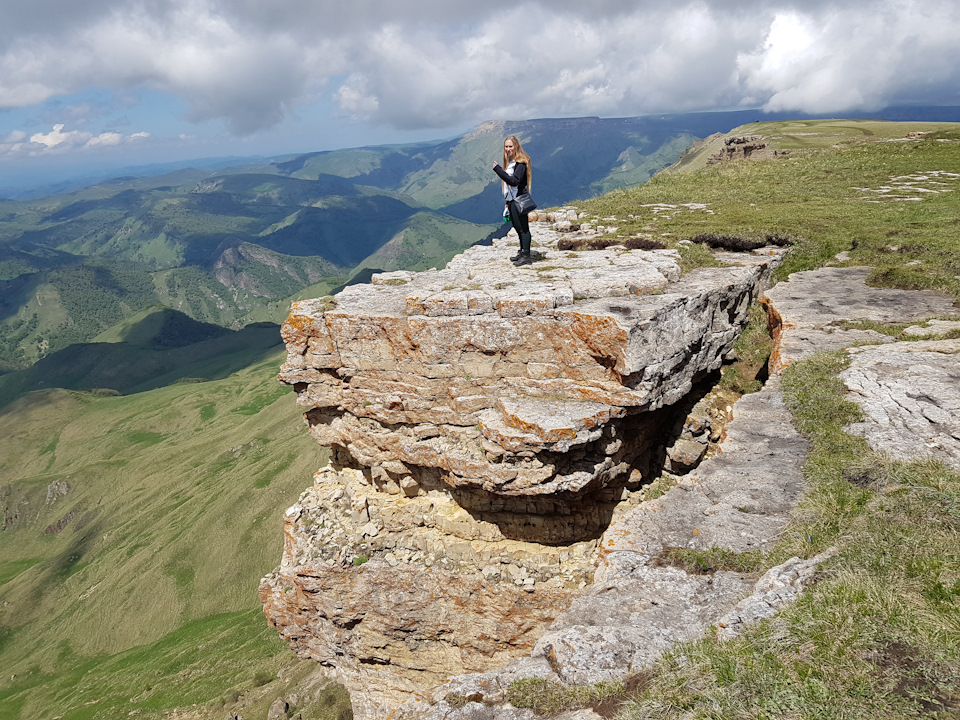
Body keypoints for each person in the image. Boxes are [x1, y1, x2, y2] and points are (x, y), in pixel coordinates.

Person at [493, 135, 534, 265]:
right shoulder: (512, 161)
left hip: (519, 200)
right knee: (517, 227)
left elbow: (514, 181)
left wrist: (498, 169)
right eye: (506, 147)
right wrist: (507, 202)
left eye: (510, 146)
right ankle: (522, 252)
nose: (508, 149)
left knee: (523, 228)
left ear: (516, 146)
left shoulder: (521, 162)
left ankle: (526, 256)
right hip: (512, 201)